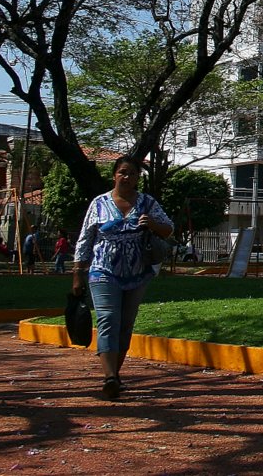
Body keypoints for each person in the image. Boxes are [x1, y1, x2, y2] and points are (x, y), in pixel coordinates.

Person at [72, 155, 174, 401]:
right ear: (115, 175)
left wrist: (151, 224)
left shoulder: (147, 203)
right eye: (122, 172)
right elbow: (85, 239)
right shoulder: (99, 203)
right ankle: (109, 377)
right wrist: (77, 273)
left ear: (138, 178)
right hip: (103, 271)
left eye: (132, 173)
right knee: (108, 319)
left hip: (137, 273)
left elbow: (168, 228)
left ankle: (114, 376)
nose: (127, 177)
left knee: (125, 325)